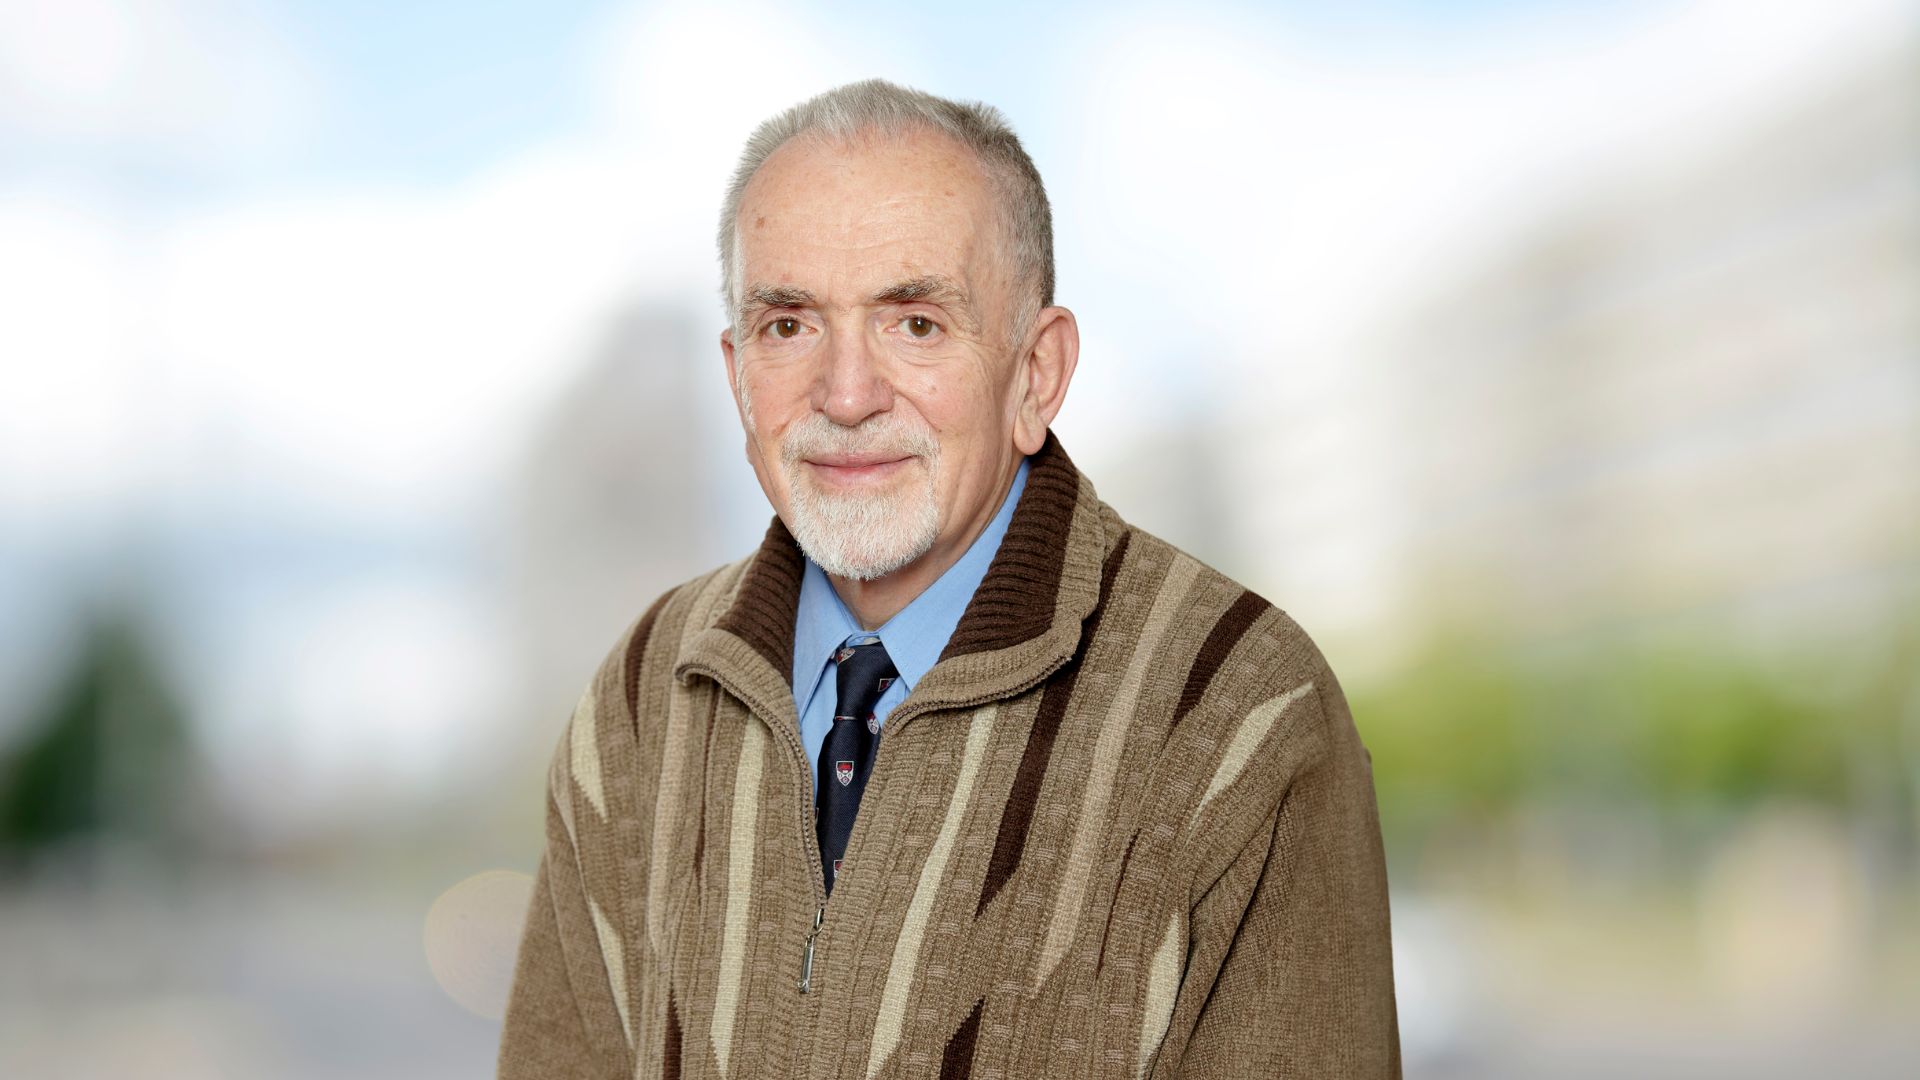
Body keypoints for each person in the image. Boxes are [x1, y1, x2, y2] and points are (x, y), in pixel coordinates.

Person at [497, 78, 1400, 1079]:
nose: (845, 395)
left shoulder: (1240, 709)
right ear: (738, 374)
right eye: (788, 325)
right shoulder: (639, 696)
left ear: (1037, 375)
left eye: (915, 322)